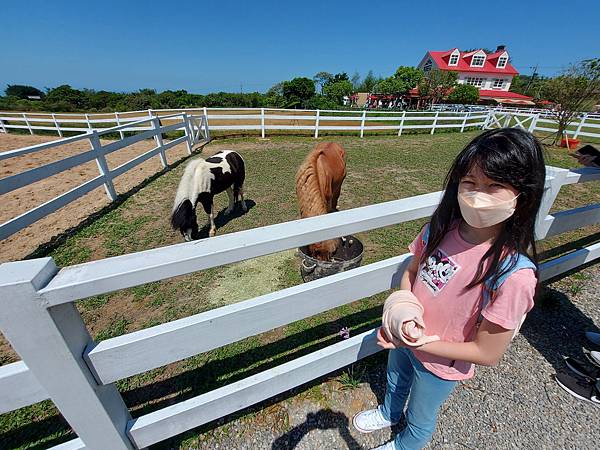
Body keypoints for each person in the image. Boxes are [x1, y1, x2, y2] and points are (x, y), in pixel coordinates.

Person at [352, 128, 547, 450]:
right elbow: (411, 272)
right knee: (395, 381)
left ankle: (404, 444)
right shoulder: (439, 229)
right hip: (405, 337)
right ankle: (388, 411)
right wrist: (403, 313)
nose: (477, 195)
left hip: (442, 363)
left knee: (421, 415)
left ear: (522, 194)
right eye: (469, 182)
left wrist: (426, 343)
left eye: (494, 185)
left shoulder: (514, 276)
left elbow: (487, 352)